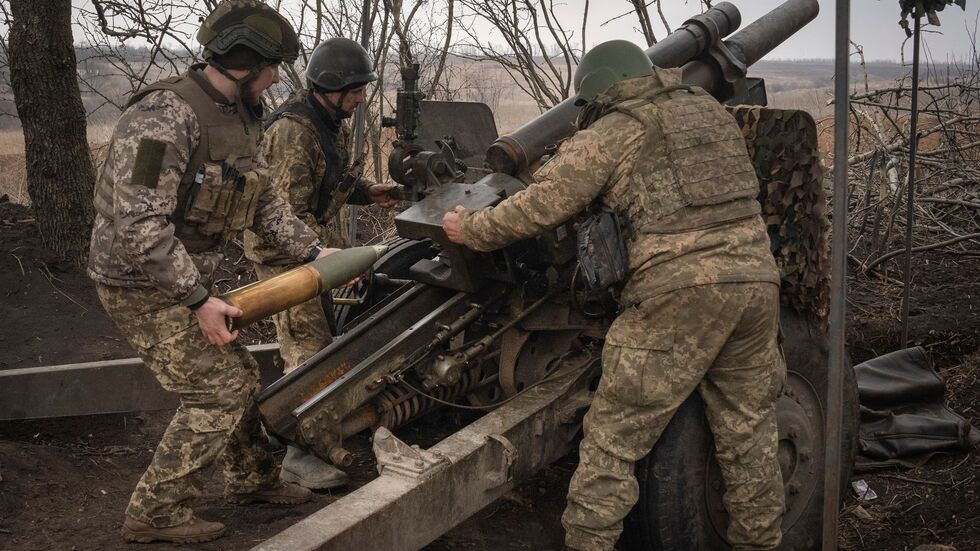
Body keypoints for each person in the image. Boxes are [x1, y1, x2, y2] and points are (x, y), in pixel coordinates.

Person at [442, 40, 787, 551]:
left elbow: (541, 205)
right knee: (750, 434)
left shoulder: (615, 130)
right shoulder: (710, 112)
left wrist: (469, 228)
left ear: (601, 91)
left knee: (612, 442)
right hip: (756, 284)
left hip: (676, 295)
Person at [87, 0, 335, 543]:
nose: (277, 79)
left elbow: (263, 199)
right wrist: (199, 300)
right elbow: (140, 225)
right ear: (244, 64)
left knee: (240, 374)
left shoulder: (242, 114)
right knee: (217, 389)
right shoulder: (161, 119)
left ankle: (251, 478)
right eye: (273, 67)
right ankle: (155, 512)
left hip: (181, 276)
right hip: (137, 281)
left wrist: (315, 252)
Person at [244, 37, 396, 489]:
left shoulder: (329, 122)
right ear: (330, 87)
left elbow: (326, 186)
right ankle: (301, 455)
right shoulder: (294, 132)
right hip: (285, 259)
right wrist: (343, 257)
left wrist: (367, 192)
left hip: (310, 254)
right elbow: (285, 217)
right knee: (310, 355)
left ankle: (285, 432)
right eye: (355, 90)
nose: (361, 98)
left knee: (320, 344)